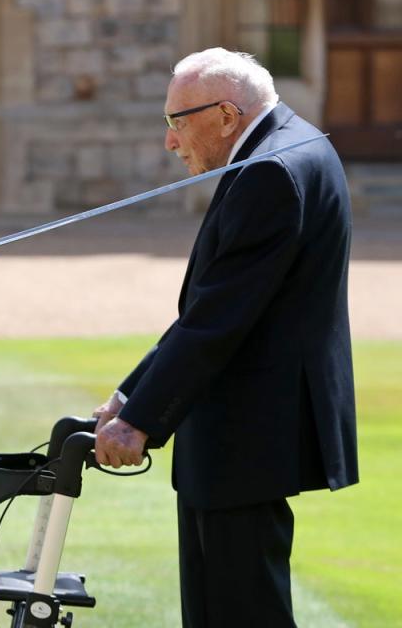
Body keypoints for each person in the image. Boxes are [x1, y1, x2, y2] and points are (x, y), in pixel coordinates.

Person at [93, 48, 358, 627]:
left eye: (176, 122)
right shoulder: (291, 144)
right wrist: (129, 394)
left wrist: (139, 421)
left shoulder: (270, 170)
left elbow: (219, 319)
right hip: (245, 429)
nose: (170, 142)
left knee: (241, 612)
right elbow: (213, 307)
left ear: (227, 116)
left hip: (248, 432)